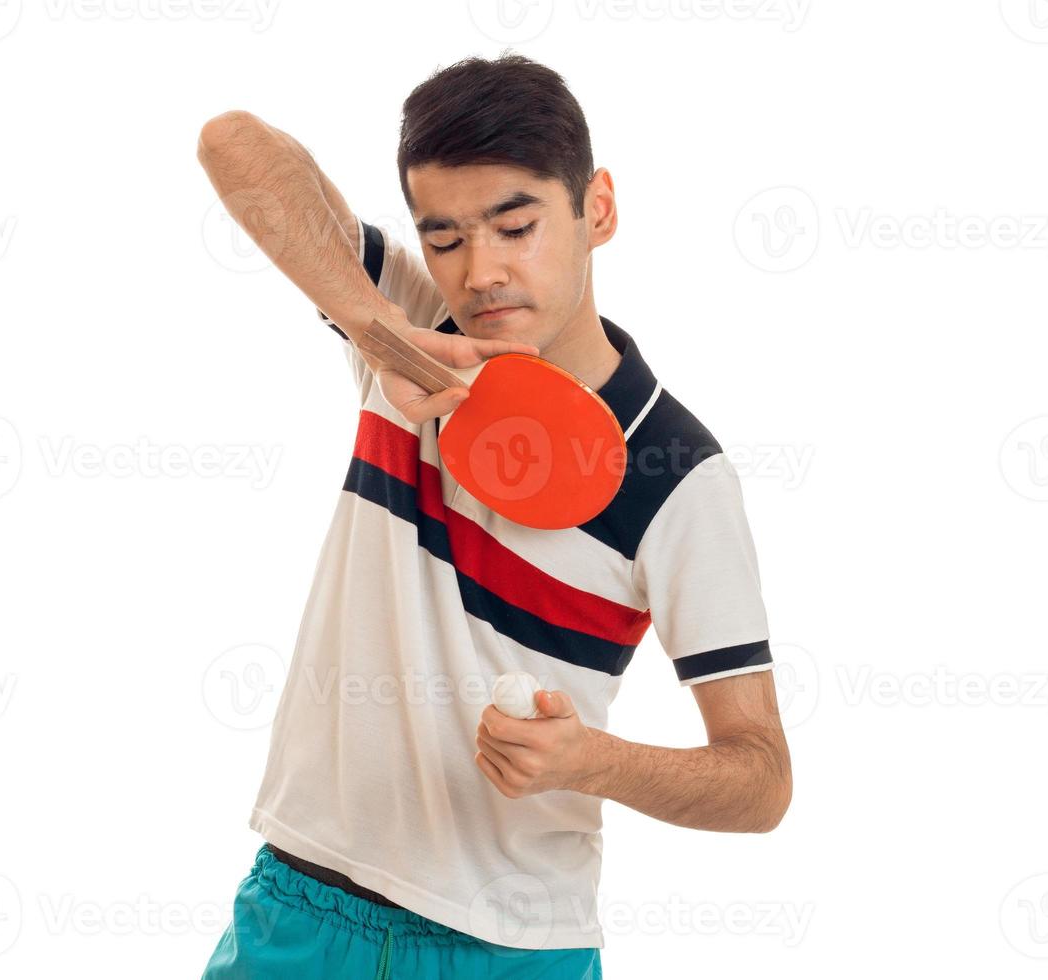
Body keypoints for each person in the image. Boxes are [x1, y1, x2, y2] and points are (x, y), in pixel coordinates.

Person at [194, 52, 791, 978]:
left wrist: (591, 760)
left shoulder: (681, 476)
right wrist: (381, 333)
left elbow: (760, 779)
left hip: (511, 949)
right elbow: (232, 144)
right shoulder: (412, 323)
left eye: (516, 226)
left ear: (598, 208)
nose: (481, 272)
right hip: (299, 905)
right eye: (445, 237)